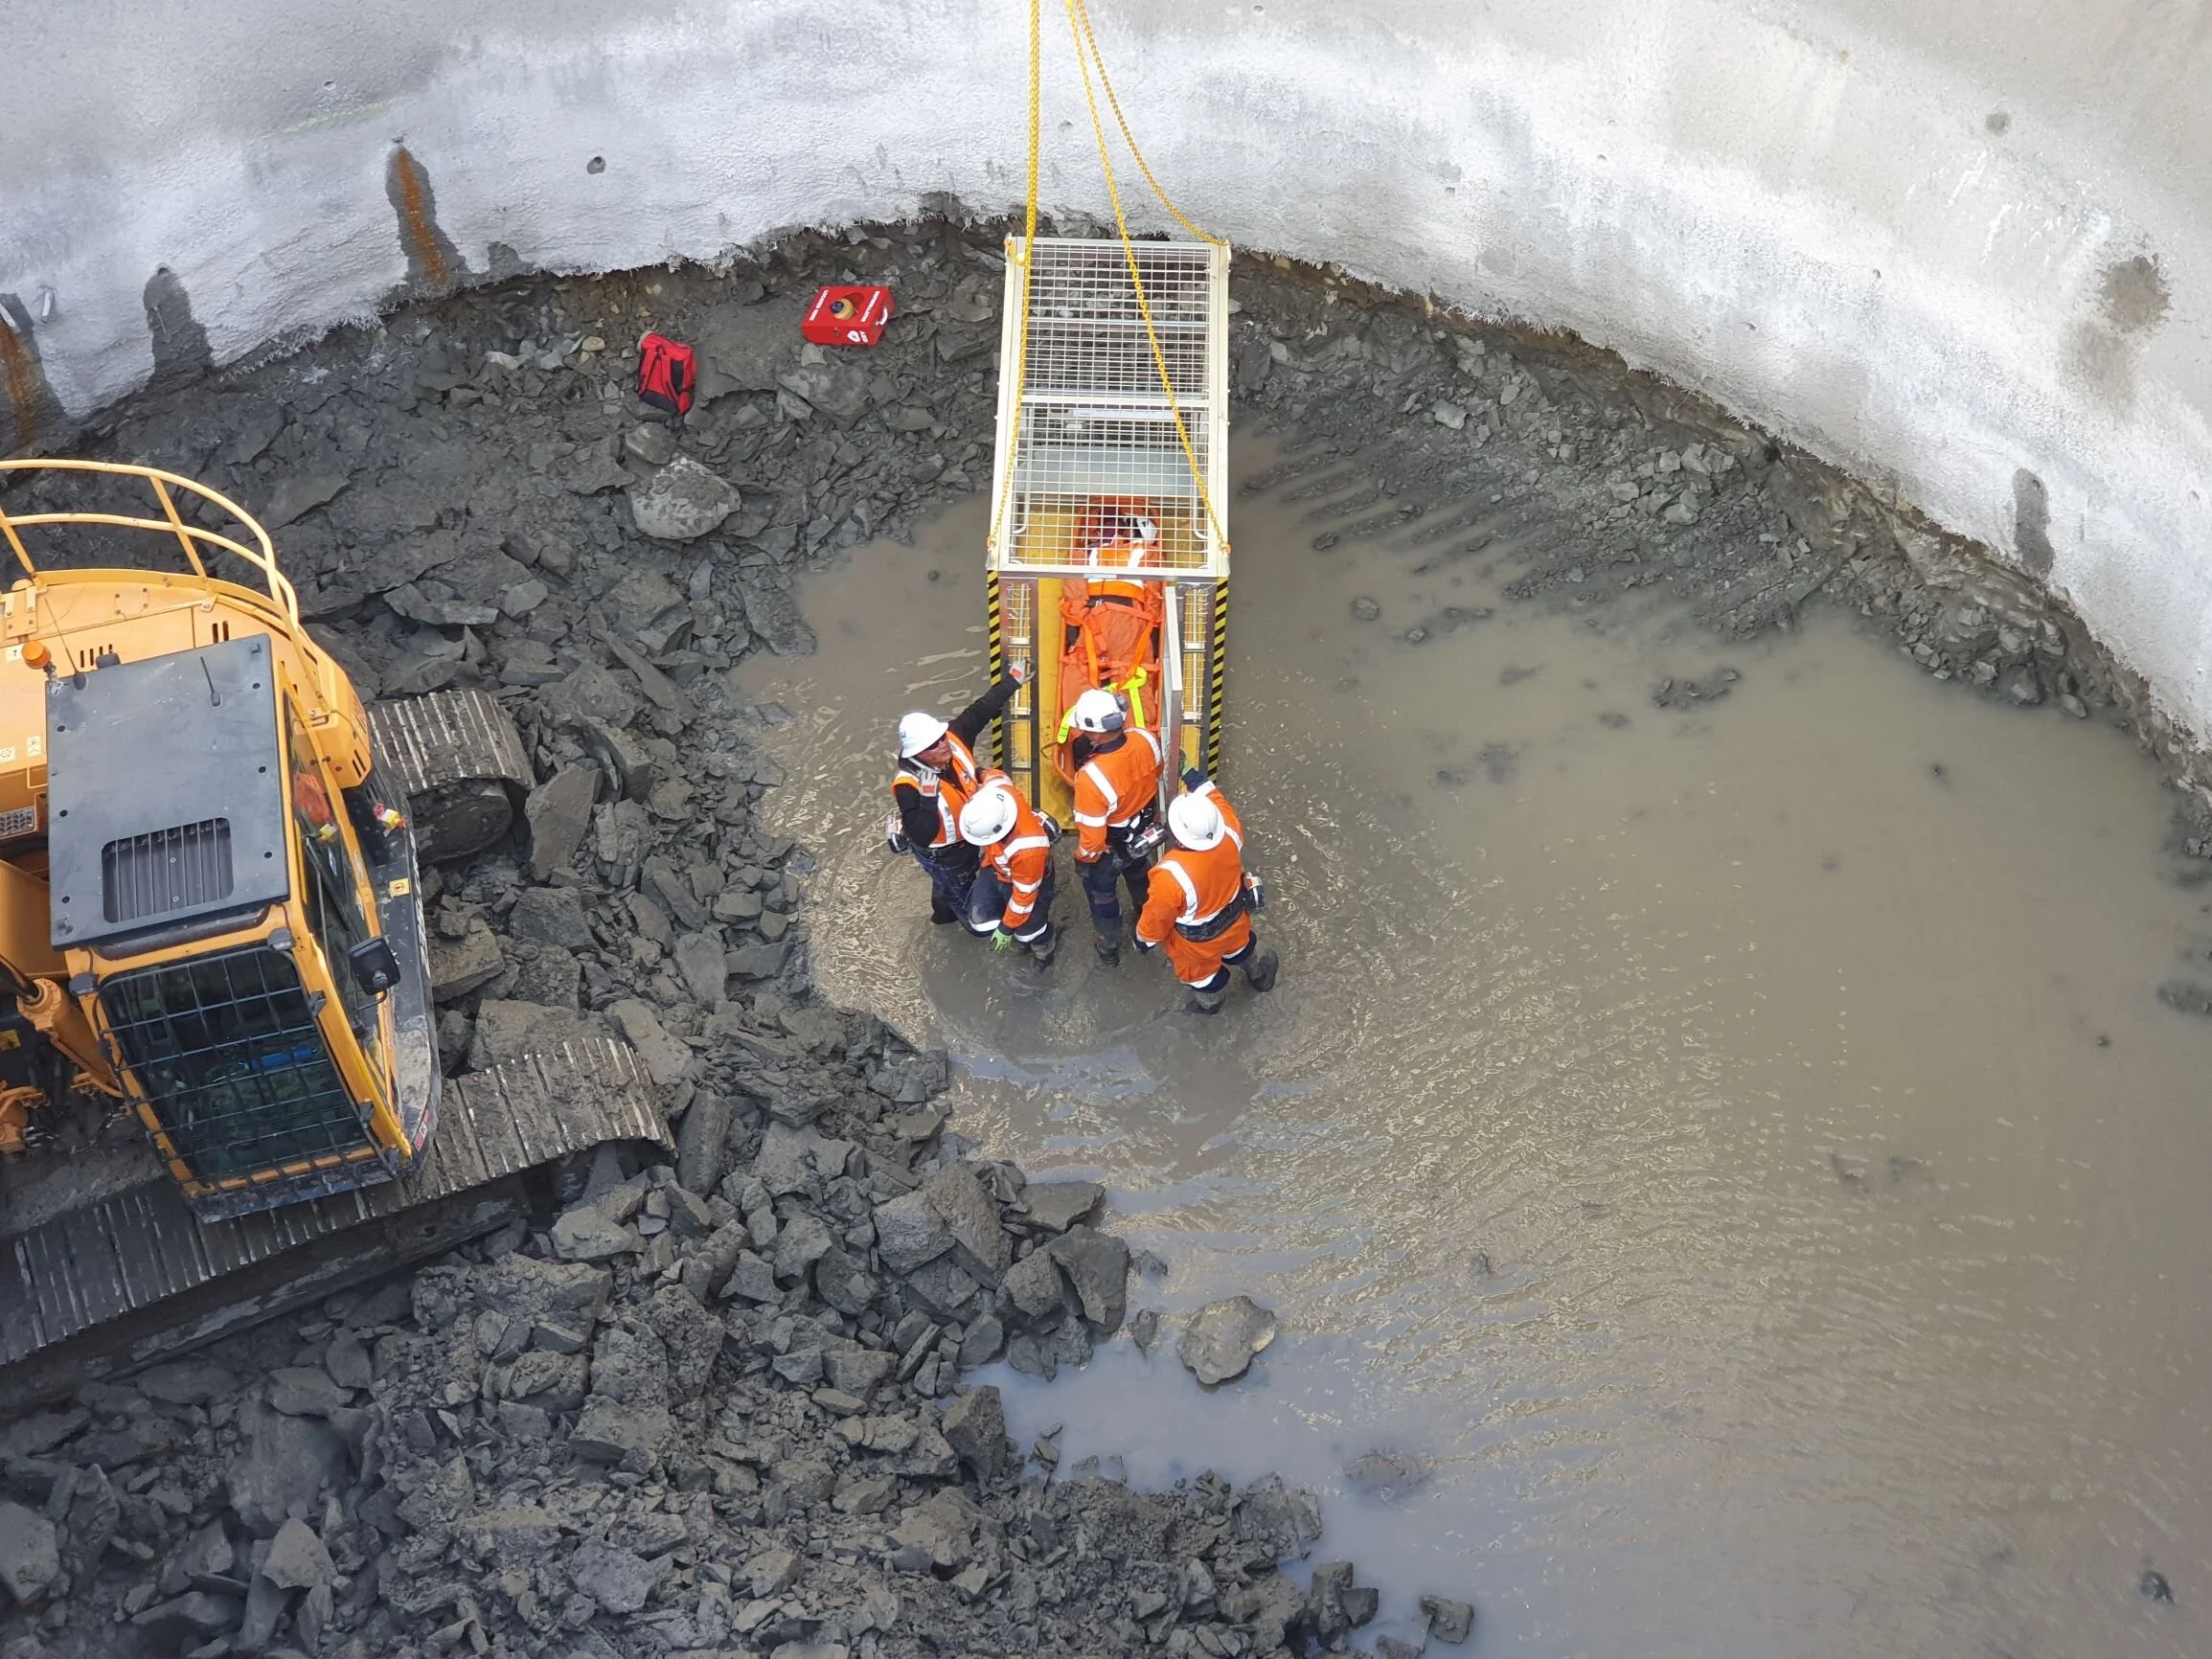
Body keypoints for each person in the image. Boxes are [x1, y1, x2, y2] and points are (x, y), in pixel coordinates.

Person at [886, 667, 1023, 925]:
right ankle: (971, 924)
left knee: (945, 885)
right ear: (918, 753)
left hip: (968, 837)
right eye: (933, 745)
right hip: (947, 854)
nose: (943, 744)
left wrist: (1013, 681)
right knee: (963, 894)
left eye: (941, 738)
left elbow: (980, 711)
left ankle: (942, 915)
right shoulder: (908, 785)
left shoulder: (954, 738)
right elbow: (921, 835)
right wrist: (928, 800)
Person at [1134, 768, 1279, 1012]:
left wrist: (1143, 940)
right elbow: (1217, 800)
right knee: (1242, 948)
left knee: (1202, 976)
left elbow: (1157, 917)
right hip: (1235, 920)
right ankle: (1260, 978)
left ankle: (1210, 1005)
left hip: (1197, 942)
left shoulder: (1170, 875)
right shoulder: (1230, 832)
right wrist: (1193, 777)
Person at [1052, 509, 1165, 784]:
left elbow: (1073, 605)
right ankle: (1134, 748)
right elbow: (1154, 603)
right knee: (1133, 683)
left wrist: (1085, 622)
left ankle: (1089, 749)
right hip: (1124, 628)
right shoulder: (1147, 555)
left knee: (1085, 675)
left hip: (1101, 626)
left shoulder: (1083, 556)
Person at [1065, 686, 1167, 964]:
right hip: (1142, 832)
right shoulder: (1146, 738)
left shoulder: (1091, 779)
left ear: (1096, 734)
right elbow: (1157, 771)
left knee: (1102, 896)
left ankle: (1108, 945)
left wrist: (1083, 860)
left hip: (1111, 846)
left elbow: (1092, 841)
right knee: (1139, 874)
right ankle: (1145, 915)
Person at [958, 779, 1059, 965]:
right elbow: (991, 775)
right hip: (997, 868)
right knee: (981, 919)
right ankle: (1021, 934)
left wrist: (1006, 928)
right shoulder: (1000, 794)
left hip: (1026, 879)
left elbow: (1024, 897)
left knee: (1031, 930)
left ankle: (1043, 947)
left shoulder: (1028, 851)